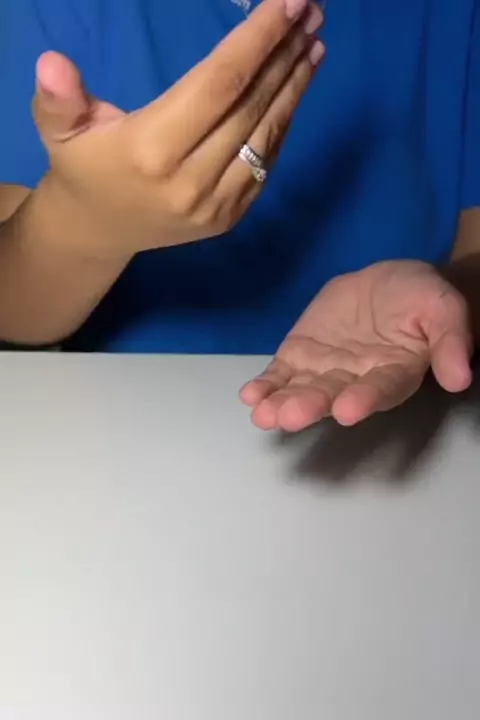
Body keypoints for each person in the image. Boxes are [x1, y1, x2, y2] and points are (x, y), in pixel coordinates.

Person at [0, 0, 479, 432]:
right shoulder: (55, 10)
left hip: (411, 432)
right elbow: (13, 309)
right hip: (125, 436)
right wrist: (84, 224)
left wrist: (449, 295)